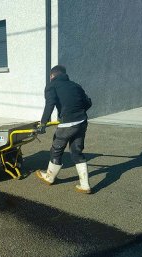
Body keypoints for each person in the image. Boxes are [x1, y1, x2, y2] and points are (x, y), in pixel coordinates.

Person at [36, 65, 92, 193]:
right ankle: (85, 185)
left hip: (67, 124)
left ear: (52, 75)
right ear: (64, 74)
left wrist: (43, 123)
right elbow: (88, 103)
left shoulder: (51, 86)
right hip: (82, 122)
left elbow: (50, 104)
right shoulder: (76, 86)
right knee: (77, 152)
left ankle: (49, 178)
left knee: (56, 149)